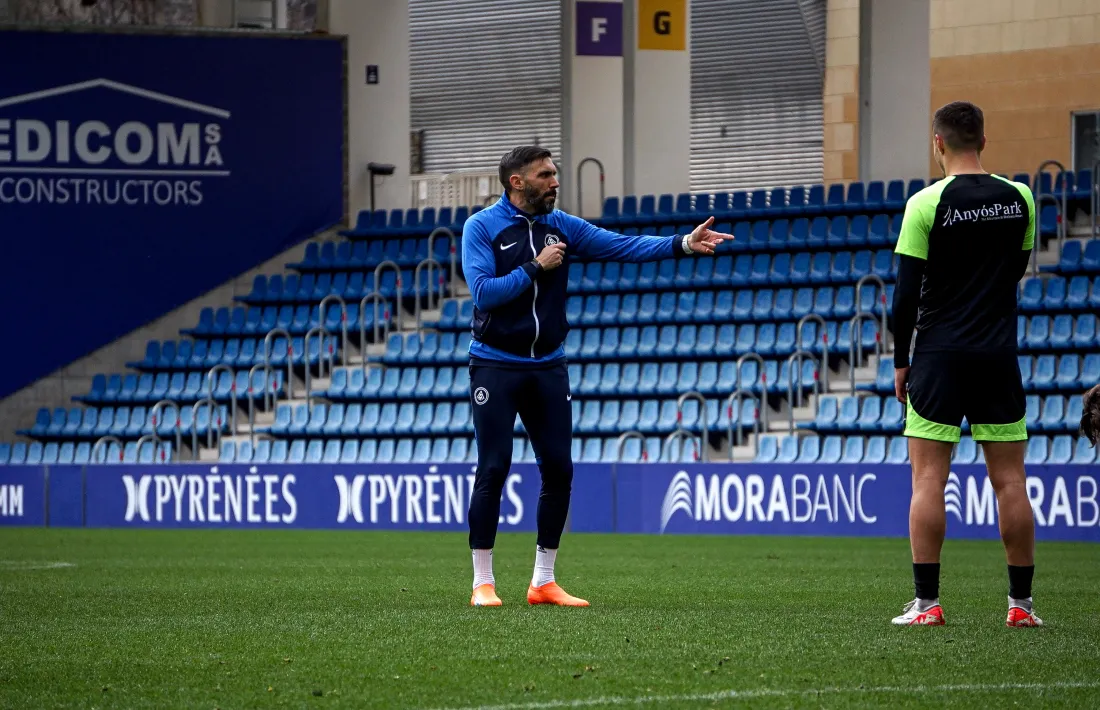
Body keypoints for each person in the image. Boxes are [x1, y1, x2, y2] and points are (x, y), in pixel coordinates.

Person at [461, 146, 732, 607]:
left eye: (555, 173)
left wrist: (682, 244)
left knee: (560, 469)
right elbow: (485, 295)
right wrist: (536, 266)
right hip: (496, 364)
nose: (555, 181)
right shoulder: (482, 227)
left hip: (548, 364)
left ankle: (543, 581)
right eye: (545, 175)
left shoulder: (561, 224)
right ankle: (482, 583)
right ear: (516, 182)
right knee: (493, 467)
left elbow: (621, 246)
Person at [890, 101, 1042, 627]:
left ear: (938, 144)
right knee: (1011, 482)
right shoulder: (1020, 197)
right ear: (984, 139)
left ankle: (927, 604)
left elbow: (905, 298)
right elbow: (1015, 269)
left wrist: (899, 361)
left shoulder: (924, 204)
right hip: (997, 354)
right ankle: (1020, 606)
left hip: (939, 355)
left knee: (929, 480)